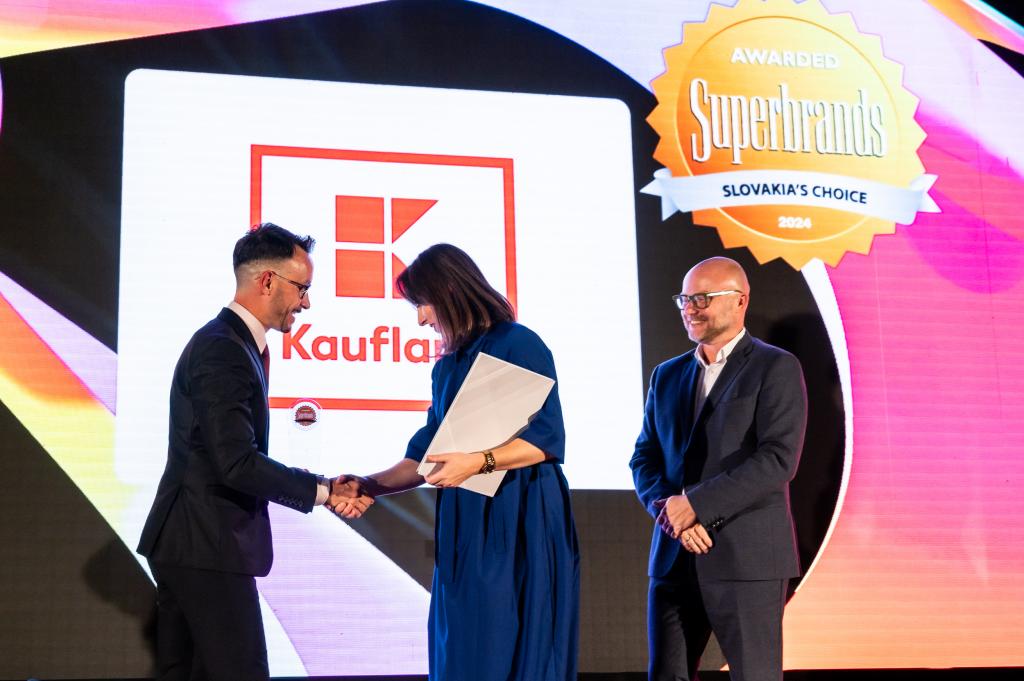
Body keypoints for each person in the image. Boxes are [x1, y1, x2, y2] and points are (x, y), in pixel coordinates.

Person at [137, 223, 372, 681]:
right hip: (205, 543)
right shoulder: (222, 350)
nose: (306, 303)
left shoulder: (233, 344)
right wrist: (324, 491)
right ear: (267, 281)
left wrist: (322, 485)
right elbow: (236, 463)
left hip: (196, 543)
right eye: (302, 288)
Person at [352, 243, 579, 681]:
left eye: (423, 304)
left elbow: (547, 441)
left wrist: (478, 462)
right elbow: (423, 459)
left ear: (451, 291)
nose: (421, 319)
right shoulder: (446, 367)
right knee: (464, 644)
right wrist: (367, 485)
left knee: (518, 642)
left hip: (522, 514)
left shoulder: (517, 343)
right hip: (468, 519)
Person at [629, 256, 807, 681]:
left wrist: (696, 505)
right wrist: (671, 513)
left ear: (740, 300)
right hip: (674, 557)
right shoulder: (667, 375)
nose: (690, 308)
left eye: (702, 298)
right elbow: (644, 458)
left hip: (746, 559)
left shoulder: (774, 367)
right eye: (685, 299)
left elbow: (778, 458)